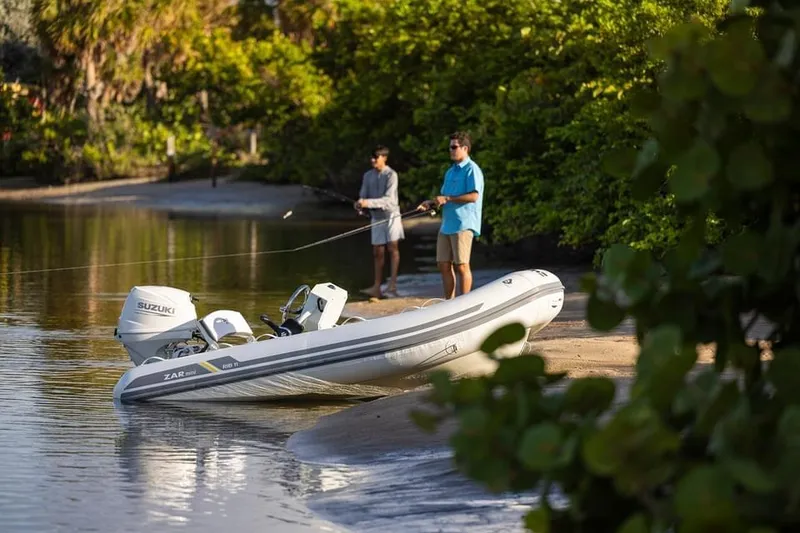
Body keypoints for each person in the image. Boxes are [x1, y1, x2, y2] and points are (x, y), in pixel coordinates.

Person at [416, 131, 484, 299]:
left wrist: (447, 198)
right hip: (447, 225)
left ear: (465, 148)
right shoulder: (450, 172)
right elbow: (444, 198)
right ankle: (450, 303)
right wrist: (430, 203)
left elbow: (474, 196)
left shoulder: (472, 169)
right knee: (443, 264)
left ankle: (465, 303)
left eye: (454, 147)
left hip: (463, 224)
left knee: (462, 266)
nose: (451, 150)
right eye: (450, 147)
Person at [354, 145, 405, 299]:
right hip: (376, 217)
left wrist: (367, 203)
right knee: (377, 251)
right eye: (372, 157)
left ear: (384, 158)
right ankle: (377, 286)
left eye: (376, 157)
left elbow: (388, 200)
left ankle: (392, 284)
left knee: (393, 247)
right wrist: (359, 204)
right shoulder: (367, 175)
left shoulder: (392, 175)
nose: (373, 160)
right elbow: (363, 195)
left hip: (391, 215)